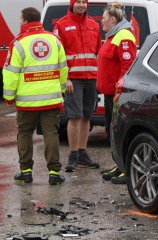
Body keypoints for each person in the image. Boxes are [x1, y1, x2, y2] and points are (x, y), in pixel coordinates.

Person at [3, 7, 68, 185]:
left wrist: (9, 96)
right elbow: (63, 67)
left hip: (27, 102)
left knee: (24, 133)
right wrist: (61, 89)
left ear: (24, 20)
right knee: (51, 134)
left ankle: (26, 172)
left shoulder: (18, 43)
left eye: (20, 19)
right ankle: (54, 172)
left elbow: (10, 73)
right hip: (51, 99)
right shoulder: (54, 40)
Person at [53, 0, 101, 172]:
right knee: (74, 117)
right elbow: (57, 56)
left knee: (87, 116)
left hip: (91, 78)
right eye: (78, 2)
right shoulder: (62, 25)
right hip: (73, 79)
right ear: (72, 4)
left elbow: (97, 52)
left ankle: (82, 153)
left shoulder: (93, 25)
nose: (81, 5)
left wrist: (98, 77)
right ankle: (73, 154)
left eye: (84, 2)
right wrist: (65, 79)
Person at [97, 2, 137, 185]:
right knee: (112, 130)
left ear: (113, 19)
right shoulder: (114, 35)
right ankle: (118, 164)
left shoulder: (124, 35)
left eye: (104, 19)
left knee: (119, 130)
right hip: (109, 93)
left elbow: (127, 66)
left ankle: (125, 169)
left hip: (117, 94)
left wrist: (120, 91)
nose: (101, 22)